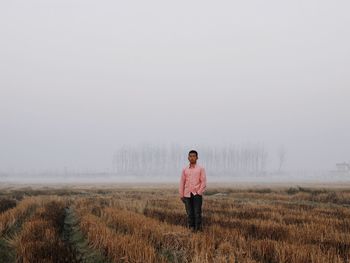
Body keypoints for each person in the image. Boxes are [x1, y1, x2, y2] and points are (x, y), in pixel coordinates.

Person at [179, 150, 207, 232]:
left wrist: (199, 192)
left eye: (194, 156)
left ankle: (198, 230)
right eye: (190, 156)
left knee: (197, 213)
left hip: (196, 194)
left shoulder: (201, 169)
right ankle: (191, 229)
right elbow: (182, 182)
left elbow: (203, 182)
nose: (192, 158)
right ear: (188, 158)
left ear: (197, 157)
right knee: (189, 213)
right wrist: (181, 195)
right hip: (187, 194)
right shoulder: (185, 169)